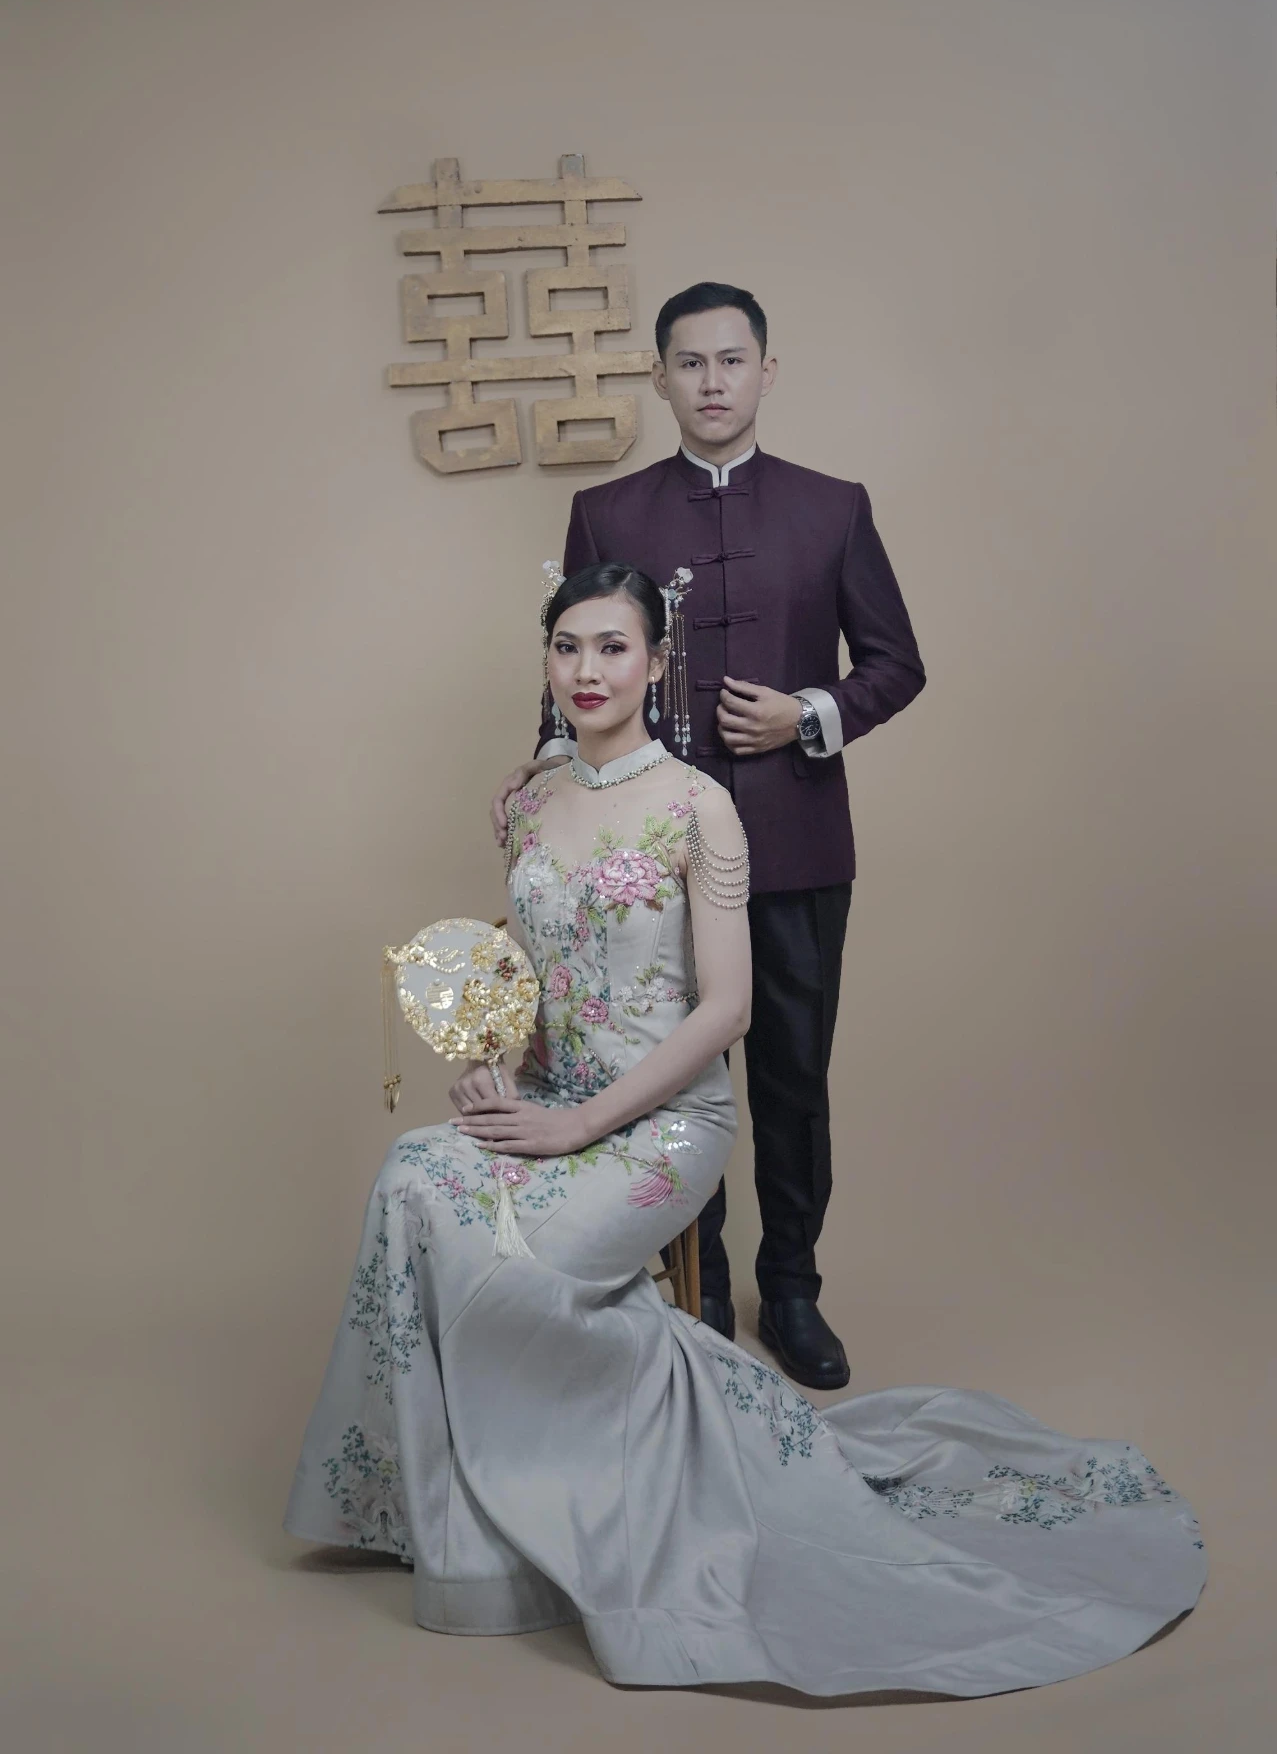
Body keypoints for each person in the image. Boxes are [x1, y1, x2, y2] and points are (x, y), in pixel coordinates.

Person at [286, 562, 1204, 1696]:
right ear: (546, 660)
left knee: (505, 1264)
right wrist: (491, 1067)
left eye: (613, 647)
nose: (587, 670)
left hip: (663, 1124)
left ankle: (571, 1510)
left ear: (656, 661)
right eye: (567, 647)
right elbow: (531, 967)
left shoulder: (697, 806)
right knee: (411, 1177)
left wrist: (579, 1126)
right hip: (553, 1096)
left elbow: (724, 1010)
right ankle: (408, 1508)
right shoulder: (524, 799)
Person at [491, 282, 925, 1390]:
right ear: (660, 378)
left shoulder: (832, 507)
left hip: (794, 840)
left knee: (791, 1078)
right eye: (690, 363)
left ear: (765, 372)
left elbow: (894, 664)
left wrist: (806, 715)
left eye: (732, 361)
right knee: (665, 1069)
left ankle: (791, 1288)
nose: (713, 382)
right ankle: (698, 1283)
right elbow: (577, 662)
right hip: (638, 856)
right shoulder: (607, 511)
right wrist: (544, 762)